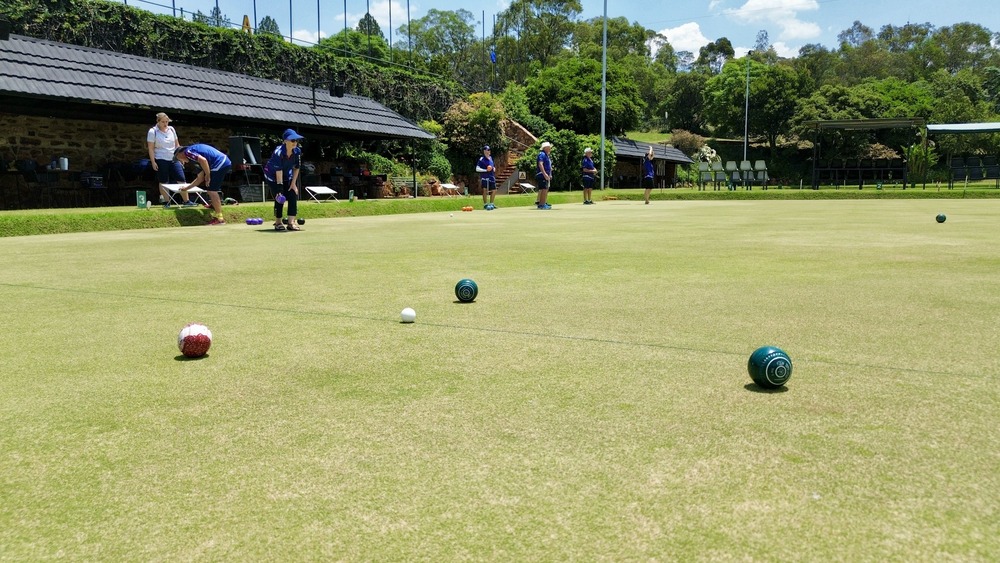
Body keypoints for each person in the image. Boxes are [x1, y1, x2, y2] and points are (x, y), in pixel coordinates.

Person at [173, 143, 232, 225]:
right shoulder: (195, 158)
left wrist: (207, 175)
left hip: (219, 163)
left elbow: (203, 160)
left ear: (180, 153)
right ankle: (214, 205)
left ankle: (220, 219)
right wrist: (186, 188)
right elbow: (200, 179)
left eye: (178, 158)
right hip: (224, 161)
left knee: (212, 191)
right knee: (211, 188)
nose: (180, 161)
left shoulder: (188, 152)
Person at [146, 112, 194, 208]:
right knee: (163, 180)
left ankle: (186, 201)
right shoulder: (153, 131)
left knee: (181, 178)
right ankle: (166, 202)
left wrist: (181, 157)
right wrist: (153, 162)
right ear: (158, 121)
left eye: (167, 122)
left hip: (173, 158)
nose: (165, 124)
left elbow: (177, 144)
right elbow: (150, 148)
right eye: (163, 122)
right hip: (161, 158)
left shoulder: (171, 129)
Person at [264, 128, 304, 231]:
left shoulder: (297, 151)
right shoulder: (278, 152)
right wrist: (279, 189)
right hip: (272, 176)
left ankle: (291, 223)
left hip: (286, 175)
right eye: (292, 140)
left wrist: (293, 184)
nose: (295, 143)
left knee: (292, 193)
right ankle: (278, 222)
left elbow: (296, 168)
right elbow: (279, 172)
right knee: (280, 196)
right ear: (285, 141)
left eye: (296, 140)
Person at [476, 145, 497, 210]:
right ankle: (485, 204)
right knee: (485, 190)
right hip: (485, 177)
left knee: (494, 190)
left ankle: (491, 204)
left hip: (491, 177)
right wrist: (486, 170)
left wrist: (493, 168)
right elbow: (477, 169)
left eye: (489, 150)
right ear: (484, 151)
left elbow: (492, 166)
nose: (488, 151)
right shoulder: (482, 159)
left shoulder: (491, 158)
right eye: (487, 150)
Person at [536, 141, 553, 209]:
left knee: (545, 189)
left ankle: (543, 203)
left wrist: (549, 174)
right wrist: (545, 174)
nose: (550, 149)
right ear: (545, 148)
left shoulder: (546, 155)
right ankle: (542, 204)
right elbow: (540, 164)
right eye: (549, 147)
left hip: (545, 174)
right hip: (542, 174)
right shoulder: (542, 154)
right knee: (544, 189)